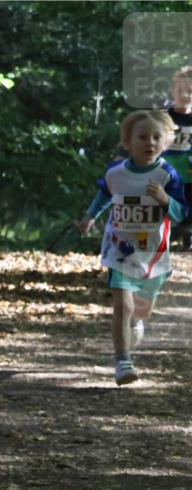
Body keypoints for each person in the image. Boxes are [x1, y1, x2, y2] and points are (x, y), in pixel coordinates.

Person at [77, 110, 187, 385]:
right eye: (142, 137)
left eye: (156, 137)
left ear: (165, 142)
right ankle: (123, 363)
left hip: (153, 255)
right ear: (128, 141)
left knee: (140, 310)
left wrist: (164, 200)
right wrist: (91, 217)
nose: (149, 142)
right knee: (122, 305)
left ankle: (137, 324)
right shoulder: (117, 173)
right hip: (121, 251)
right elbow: (105, 193)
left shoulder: (167, 175)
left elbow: (181, 213)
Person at [163, 66, 192, 249]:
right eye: (180, 90)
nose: (185, 95)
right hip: (165, 170)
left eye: (190, 91)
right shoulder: (164, 116)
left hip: (188, 171)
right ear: (172, 92)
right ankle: (165, 232)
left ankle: (188, 231)